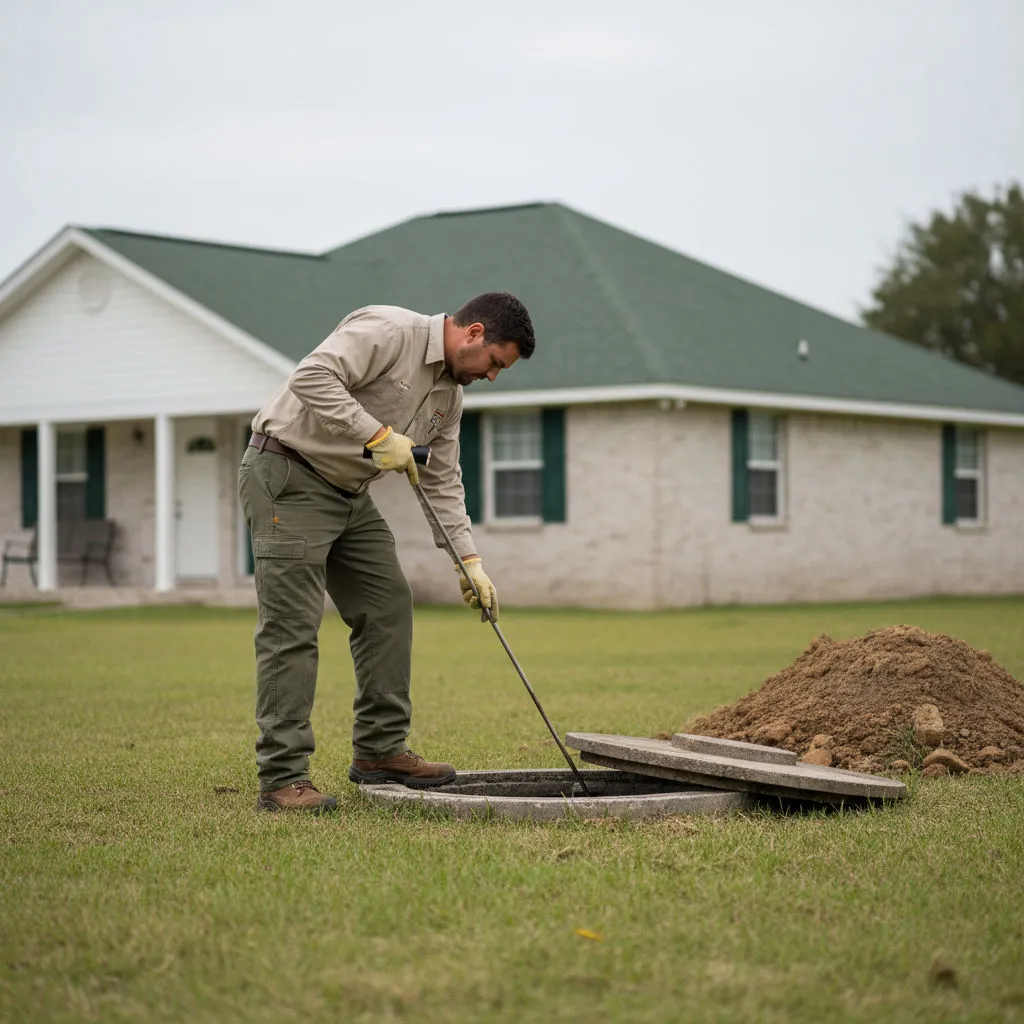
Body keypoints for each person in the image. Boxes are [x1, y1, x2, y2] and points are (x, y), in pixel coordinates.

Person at [238, 293, 536, 813]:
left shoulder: (449, 397)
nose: (492, 376)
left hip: (350, 495)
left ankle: (380, 750)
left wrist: (469, 562)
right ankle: (283, 778)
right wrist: (376, 435)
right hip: (287, 474)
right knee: (292, 628)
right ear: (474, 333)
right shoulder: (390, 331)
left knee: (388, 605)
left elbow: (442, 480)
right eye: (494, 363)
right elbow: (311, 377)